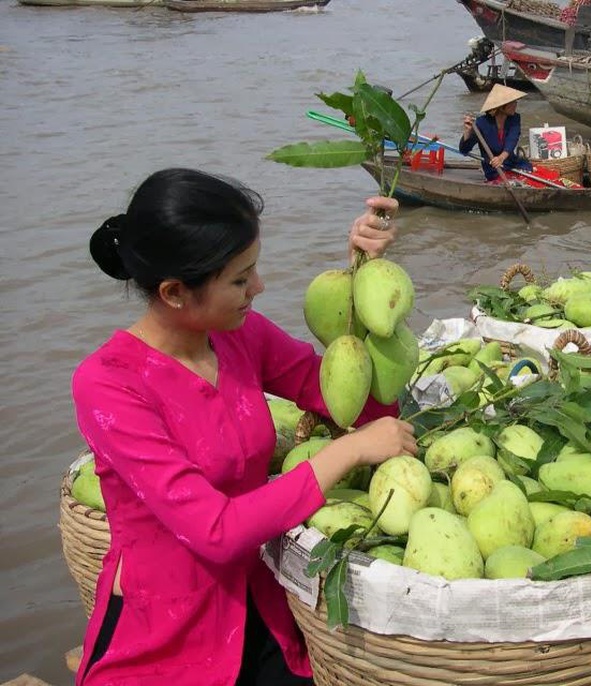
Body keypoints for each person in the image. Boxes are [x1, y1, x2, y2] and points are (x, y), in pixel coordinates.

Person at [71, 168, 418, 685]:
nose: (259, 287)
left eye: (253, 269)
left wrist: (363, 284)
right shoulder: (109, 384)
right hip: (169, 633)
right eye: (239, 279)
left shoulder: (240, 334)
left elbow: (359, 408)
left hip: (262, 602)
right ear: (173, 292)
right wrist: (347, 453)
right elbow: (215, 531)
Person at [459, 83, 534, 184]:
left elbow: (512, 139)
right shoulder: (482, 123)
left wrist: (501, 157)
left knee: (533, 174)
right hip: (494, 168)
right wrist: (468, 131)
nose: (516, 104)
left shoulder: (515, 119)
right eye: (512, 102)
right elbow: (464, 150)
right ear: (502, 106)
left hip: (511, 163)